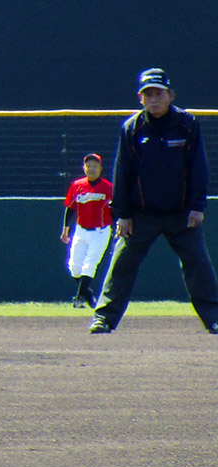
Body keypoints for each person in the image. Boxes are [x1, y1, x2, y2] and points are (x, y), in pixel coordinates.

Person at [89, 68, 218, 335]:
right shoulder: (132, 128)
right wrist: (123, 214)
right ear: (140, 98)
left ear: (170, 95)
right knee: (122, 263)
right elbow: (122, 173)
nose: (154, 100)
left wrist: (197, 206)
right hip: (141, 214)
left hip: (181, 214)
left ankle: (214, 318)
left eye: (158, 93)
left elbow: (198, 168)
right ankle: (104, 318)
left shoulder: (187, 124)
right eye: (148, 94)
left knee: (197, 264)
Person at [60, 152, 113, 308]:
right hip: (81, 230)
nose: (91, 169)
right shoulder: (77, 185)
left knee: (90, 264)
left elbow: (115, 209)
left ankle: (79, 298)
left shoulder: (108, 187)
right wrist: (65, 229)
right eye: (88, 166)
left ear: (100, 168)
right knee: (74, 267)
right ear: (84, 168)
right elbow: (70, 208)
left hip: (100, 231)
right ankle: (88, 295)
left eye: (95, 166)